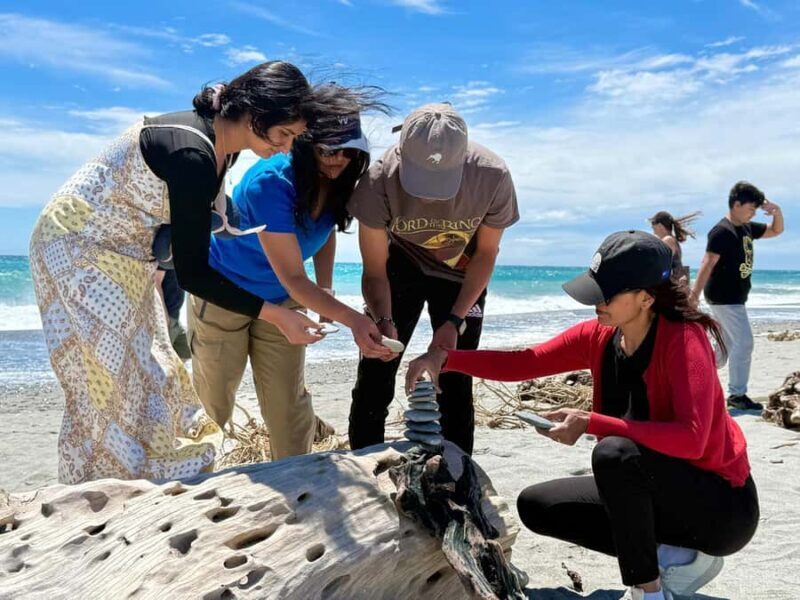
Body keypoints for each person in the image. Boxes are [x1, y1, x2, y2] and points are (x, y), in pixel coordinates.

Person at [28, 61, 339, 484]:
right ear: (255, 116)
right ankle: (102, 493)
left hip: (123, 254)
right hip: (80, 247)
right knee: (111, 381)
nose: (286, 148)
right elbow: (194, 275)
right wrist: (279, 314)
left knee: (150, 371)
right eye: (284, 134)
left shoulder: (219, 145)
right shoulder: (194, 153)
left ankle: (136, 483)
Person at [407, 231, 760, 600]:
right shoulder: (601, 336)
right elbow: (526, 361)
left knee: (613, 455)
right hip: (658, 493)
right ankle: (677, 557)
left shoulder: (685, 339)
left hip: (722, 510)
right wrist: (446, 360)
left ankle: (649, 591)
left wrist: (592, 421)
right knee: (538, 507)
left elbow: (692, 439)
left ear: (645, 297)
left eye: (608, 294)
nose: (597, 303)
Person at [190, 101, 393, 460]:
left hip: (282, 298)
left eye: (348, 150)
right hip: (226, 292)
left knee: (289, 406)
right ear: (305, 142)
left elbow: (323, 233)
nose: (337, 158)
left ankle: (299, 483)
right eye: (327, 148)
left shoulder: (339, 181)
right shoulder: (271, 182)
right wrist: (355, 320)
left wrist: (326, 293)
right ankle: (195, 487)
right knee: (214, 403)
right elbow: (296, 278)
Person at [347, 103, 519, 455]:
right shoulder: (378, 179)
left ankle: (457, 474)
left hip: (460, 272)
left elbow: (486, 254)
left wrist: (454, 321)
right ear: (401, 152)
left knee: (456, 375)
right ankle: (366, 463)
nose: (426, 195)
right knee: (377, 371)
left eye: (438, 183)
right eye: (420, 179)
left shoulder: (492, 175)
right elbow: (375, 269)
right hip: (401, 267)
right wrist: (383, 319)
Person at [690, 182, 784, 410]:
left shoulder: (747, 228)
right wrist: (694, 295)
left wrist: (777, 212)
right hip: (725, 298)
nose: (752, 213)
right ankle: (737, 395)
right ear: (737, 204)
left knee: (724, 349)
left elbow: (776, 231)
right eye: (750, 209)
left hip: (733, 298)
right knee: (744, 343)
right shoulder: (722, 231)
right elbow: (707, 262)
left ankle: (691, 379)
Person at [648, 210, 701, 284]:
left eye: (653, 224)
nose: (652, 227)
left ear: (660, 225)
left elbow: (657, 261)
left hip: (674, 284)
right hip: (676, 282)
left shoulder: (668, 240)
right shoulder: (671, 239)